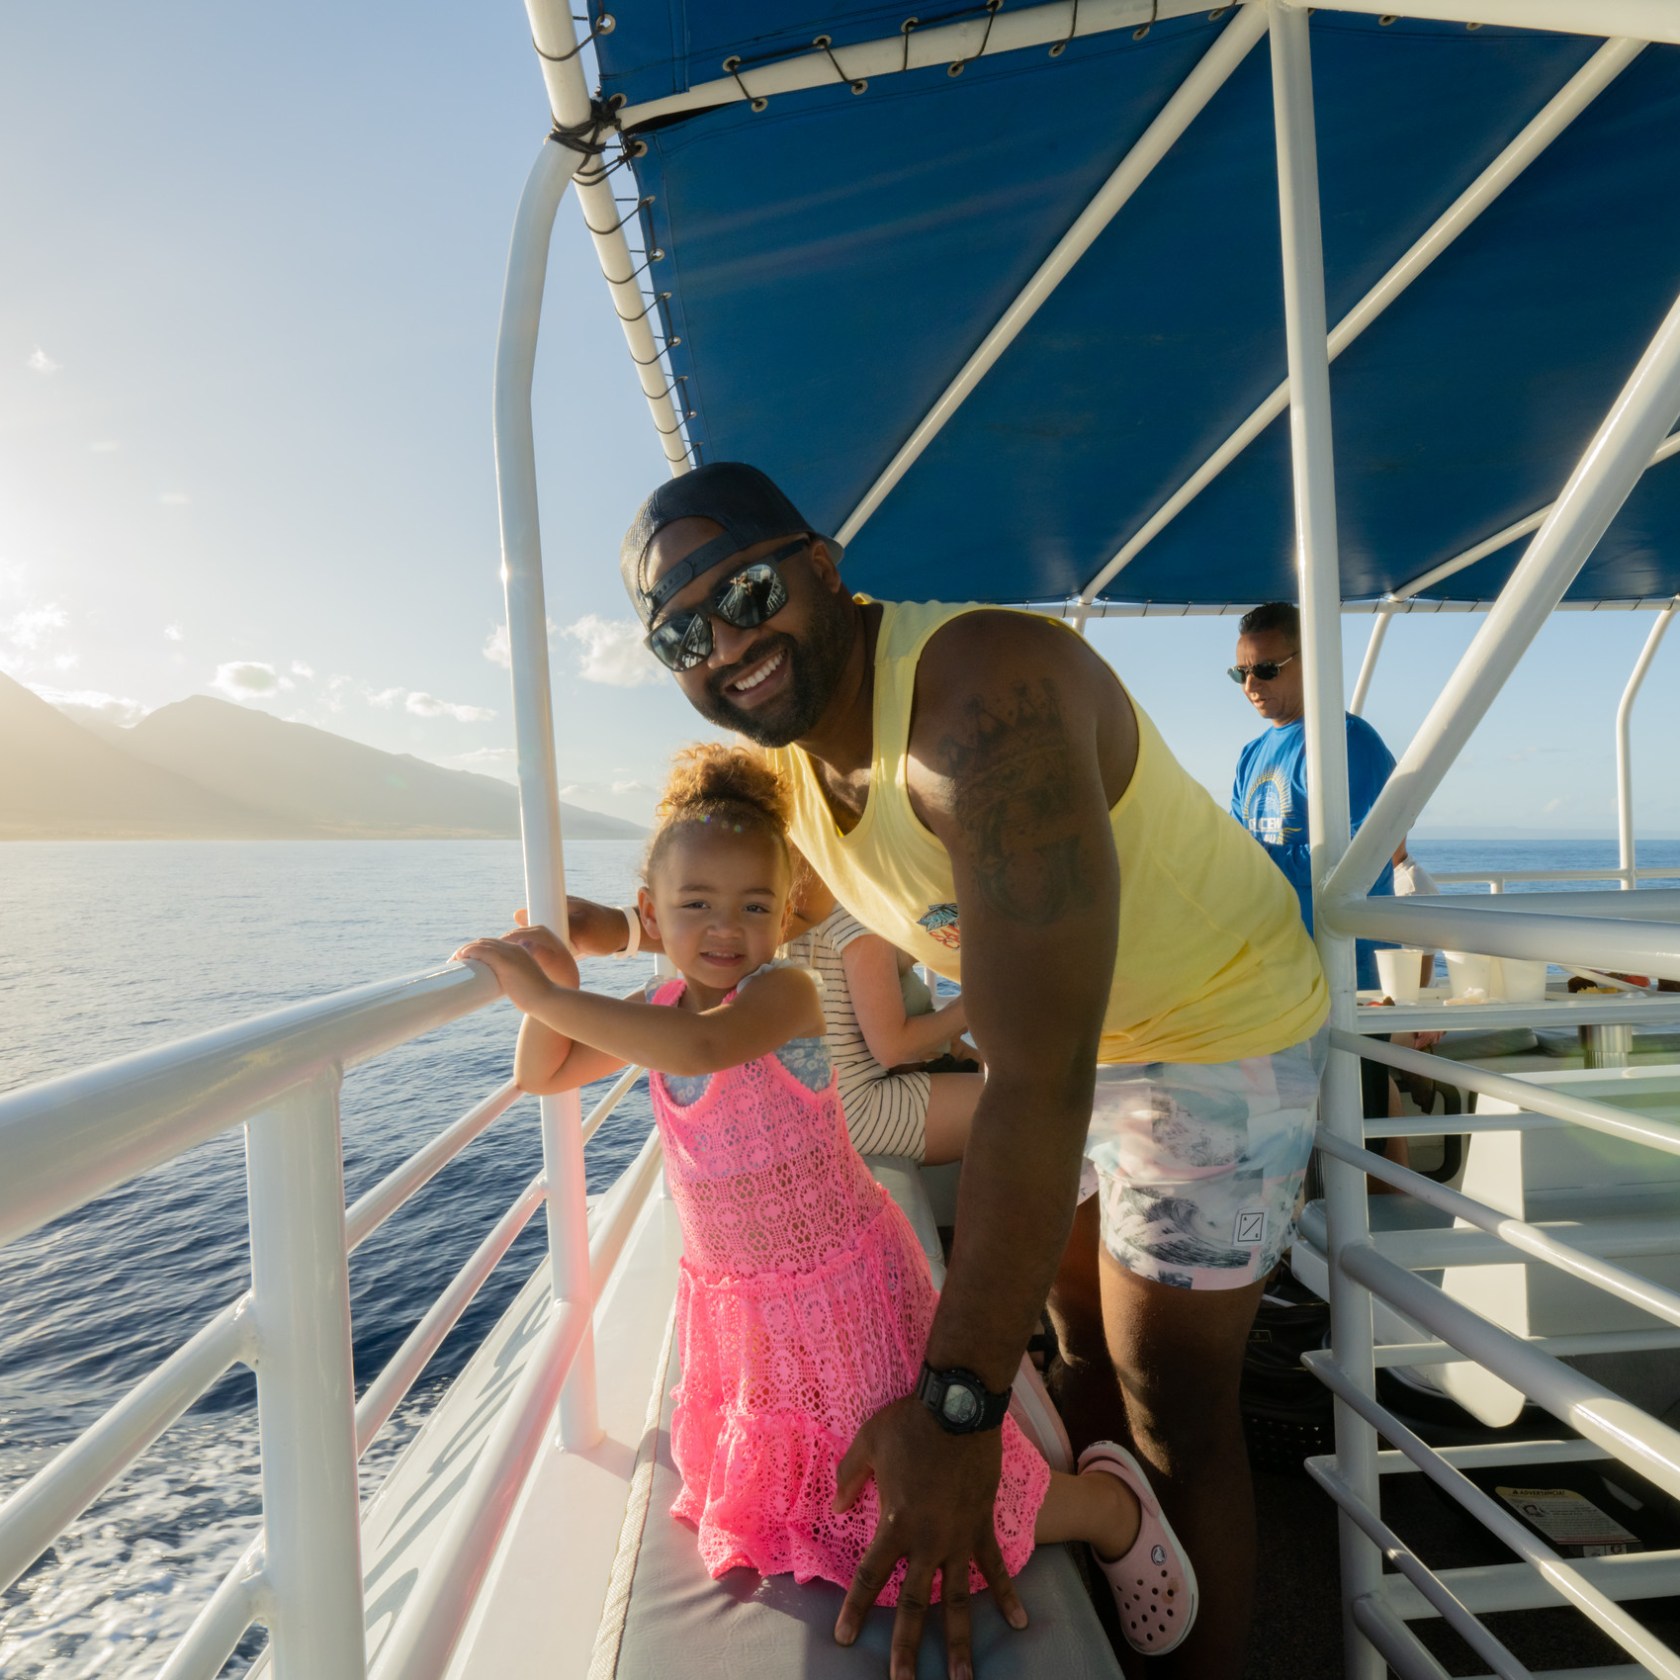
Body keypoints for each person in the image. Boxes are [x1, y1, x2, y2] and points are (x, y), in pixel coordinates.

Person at [615, 462, 1329, 1680]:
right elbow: (732, 908)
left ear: (822, 564)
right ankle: (1119, 1571)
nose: (725, 643)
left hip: (1208, 1033)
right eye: (683, 629)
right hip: (1070, 1039)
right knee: (1073, 1337)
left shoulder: (984, 705)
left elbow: (1035, 1082)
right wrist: (581, 938)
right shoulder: (794, 757)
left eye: (743, 590)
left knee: (1172, 1398)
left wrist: (956, 1415)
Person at [453, 744, 1197, 1657]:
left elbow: (697, 1054)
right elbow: (547, 1073)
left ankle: (1100, 1509)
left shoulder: (786, 993)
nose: (727, 927)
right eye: (696, 906)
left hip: (842, 1293)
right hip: (753, 1310)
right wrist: (552, 984)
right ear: (651, 914)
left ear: (785, 915)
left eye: (754, 906)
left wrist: (541, 986)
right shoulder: (663, 1004)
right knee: (824, 1499)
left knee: (908, 1497)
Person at [567, 863, 982, 1163]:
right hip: (853, 1113)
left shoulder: (779, 919)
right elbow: (894, 1046)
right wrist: (981, 998)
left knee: (984, 1065)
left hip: (796, 1114)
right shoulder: (855, 913)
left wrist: (617, 932)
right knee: (1037, 1110)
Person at [1229, 601, 1398, 1124]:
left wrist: (1251, 862)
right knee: (1294, 1133)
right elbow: (1235, 852)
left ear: (1312, 662)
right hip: (1276, 978)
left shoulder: (1351, 742)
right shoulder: (1251, 754)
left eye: (1266, 668)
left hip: (1348, 978)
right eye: (1241, 672)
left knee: (1355, 1133)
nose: (1251, 683)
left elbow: (1369, 852)